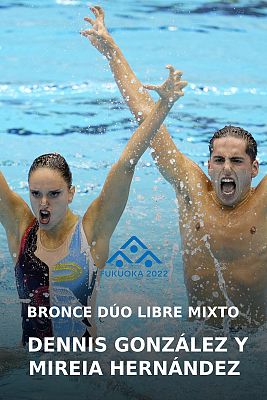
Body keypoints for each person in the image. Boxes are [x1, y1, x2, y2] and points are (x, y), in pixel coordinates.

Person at [82, 6, 267, 329]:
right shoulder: (191, 187)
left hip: (258, 343)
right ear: (207, 165)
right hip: (200, 336)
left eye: (237, 161)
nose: (226, 169)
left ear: (253, 168)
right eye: (219, 160)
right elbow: (144, 113)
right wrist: (112, 51)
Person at [0, 60, 187, 345]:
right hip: (31, 369)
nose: (44, 203)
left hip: (83, 370)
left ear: (71, 193)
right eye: (36, 194)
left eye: (54, 194)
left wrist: (164, 106)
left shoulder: (90, 233)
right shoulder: (20, 229)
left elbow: (127, 163)